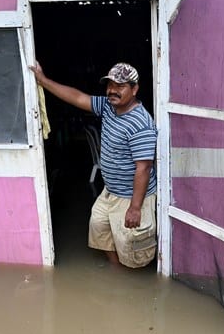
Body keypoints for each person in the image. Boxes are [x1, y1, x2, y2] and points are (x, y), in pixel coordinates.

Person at [29, 62, 157, 268]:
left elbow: (144, 168)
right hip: (110, 191)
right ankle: (117, 272)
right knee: (99, 228)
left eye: (120, 86)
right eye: (109, 85)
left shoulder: (140, 123)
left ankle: (130, 283)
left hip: (131, 196)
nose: (112, 91)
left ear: (134, 89)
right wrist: (43, 81)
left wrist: (135, 207)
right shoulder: (108, 106)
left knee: (132, 249)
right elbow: (78, 97)